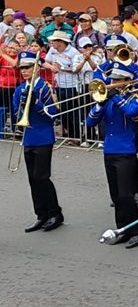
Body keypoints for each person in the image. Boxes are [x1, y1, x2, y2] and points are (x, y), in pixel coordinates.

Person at [86, 61, 138, 249]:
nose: (112, 82)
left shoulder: (134, 98)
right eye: (113, 79)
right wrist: (99, 105)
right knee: (116, 195)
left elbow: (132, 112)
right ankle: (122, 229)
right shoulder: (108, 100)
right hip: (109, 150)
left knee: (126, 194)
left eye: (118, 80)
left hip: (125, 151)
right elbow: (89, 122)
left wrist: (114, 98)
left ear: (127, 81)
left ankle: (136, 232)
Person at [13, 50, 63, 233]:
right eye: (22, 68)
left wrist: (37, 104)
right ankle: (41, 214)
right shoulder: (20, 89)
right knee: (33, 179)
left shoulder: (44, 88)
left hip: (43, 137)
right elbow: (17, 114)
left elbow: (54, 115)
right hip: (29, 137)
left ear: (36, 68)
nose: (24, 71)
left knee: (42, 177)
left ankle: (55, 213)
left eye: (27, 67)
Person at [43, 31, 83, 140]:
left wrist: (62, 68)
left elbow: (76, 69)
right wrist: (52, 67)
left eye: (53, 41)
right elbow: (44, 61)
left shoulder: (73, 52)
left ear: (60, 42)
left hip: (72, 85)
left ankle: (76, 135)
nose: (51, 43)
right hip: (58, 84)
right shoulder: (52, 50)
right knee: (63, 111)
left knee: (72, 112)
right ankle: (68, 134)